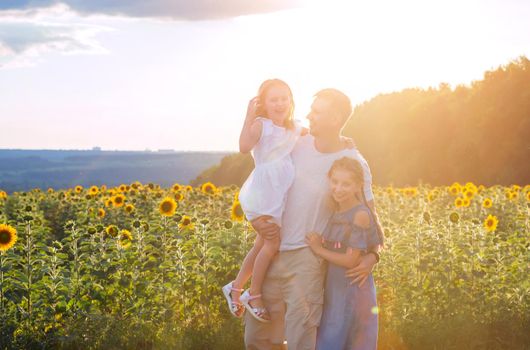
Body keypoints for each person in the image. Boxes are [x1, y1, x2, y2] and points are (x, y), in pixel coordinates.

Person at [244, 88, 383, 350]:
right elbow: (263, 175)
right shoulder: (295, 143)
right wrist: (255, 219)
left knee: (300, 340)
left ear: (335, 118)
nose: (309, 116)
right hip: (270, 252)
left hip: (307, 260)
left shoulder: (353, 161)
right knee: (258, 339)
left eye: (317, 112)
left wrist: (372, 255)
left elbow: (369, 217)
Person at [222, 79, 304, 322]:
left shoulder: (294, 128)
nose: (280, 104)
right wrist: (249, 117)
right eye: (273, 99)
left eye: (284, 98)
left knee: (261, 244)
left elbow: (315, 137)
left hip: (278, 197)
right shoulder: (262, 125)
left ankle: (235, 288)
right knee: (272, 243)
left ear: (291, 101)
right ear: (264, 104)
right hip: (263, 194)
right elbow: (244, 147)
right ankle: (253, 294)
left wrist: (342, 143)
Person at [306, 157, 382, 350]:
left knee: (342, 339)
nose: (338, 188)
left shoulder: (360, 214)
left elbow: (351, 260)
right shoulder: (337, 210)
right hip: (336, 287)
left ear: (358, 186)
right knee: (334, 336)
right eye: (335, 182)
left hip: (353, 288)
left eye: (346, 184)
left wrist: (318, 249)